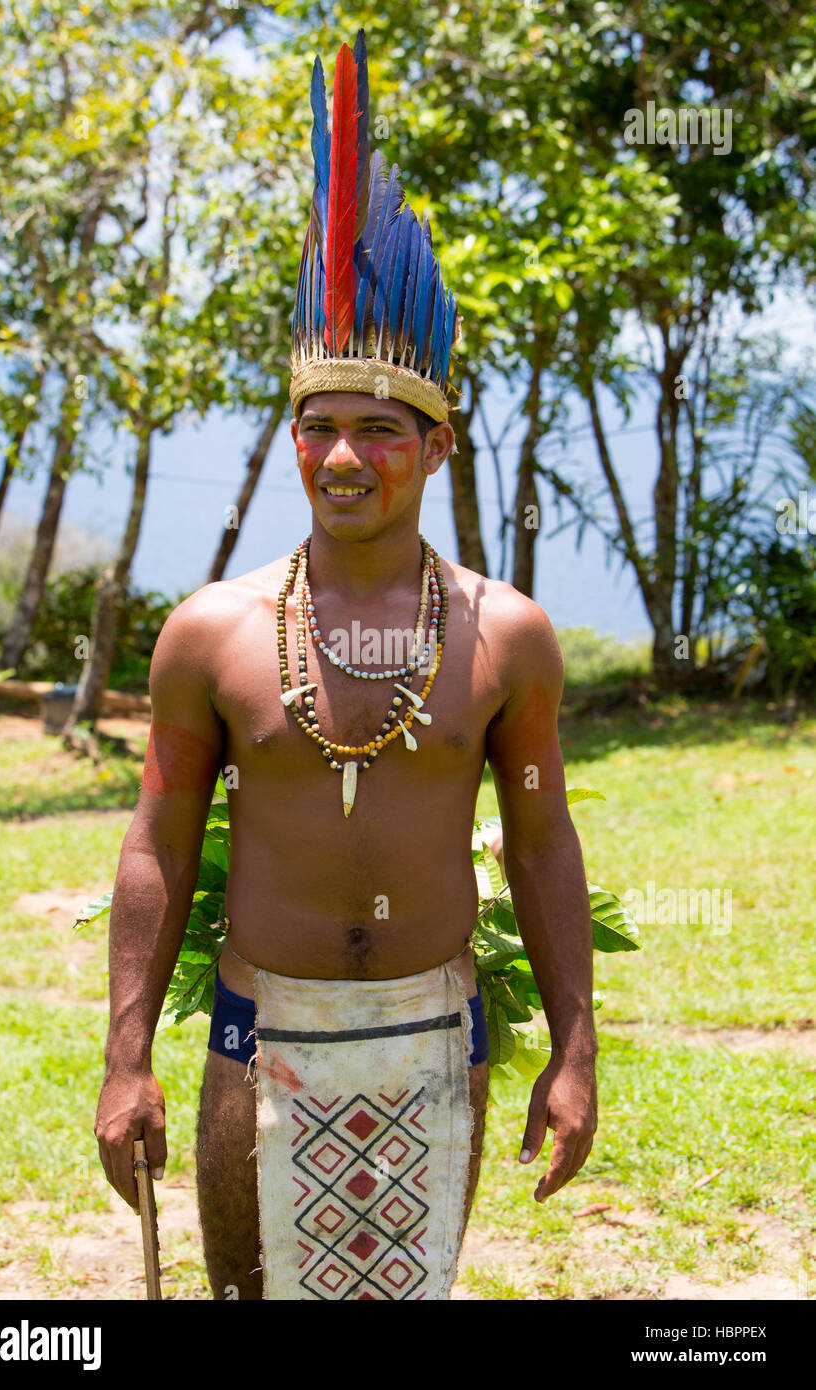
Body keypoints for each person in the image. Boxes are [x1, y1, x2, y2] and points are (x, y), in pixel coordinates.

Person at [95, 30, 597, 1301]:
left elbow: (537, 839)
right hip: (259, 1034)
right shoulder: (212, 631)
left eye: (380, 428)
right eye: (318, 426)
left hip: (437, 1033)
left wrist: (575, 1050)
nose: (342, 456)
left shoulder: (507, 633)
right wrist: (125, 1055)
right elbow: (158, 833)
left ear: (434, 447)